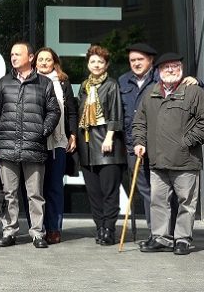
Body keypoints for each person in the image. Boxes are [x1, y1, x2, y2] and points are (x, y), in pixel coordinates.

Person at [0, 42, 60, 249]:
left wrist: (43, 131)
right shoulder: (4, 82)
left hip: (34, 145)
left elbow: (54, 111)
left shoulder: (44, 83)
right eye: (11, 54)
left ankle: (37, 233)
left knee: (35, 194)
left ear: (30, 57)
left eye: (17, 54)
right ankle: (9, 232)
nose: (13, 57)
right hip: (7, 146)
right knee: (9, 194)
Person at [133, 53, 204, 256]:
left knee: (186, 203)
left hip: (186, 159)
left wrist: (186, 142)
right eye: (166, 67)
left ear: (181, 69)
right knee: (158, 201)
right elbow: (139, 123)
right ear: (158, 71)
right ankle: (161, 238)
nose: (171, 70)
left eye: (175, 66)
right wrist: (139, 142)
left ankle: (182, 239)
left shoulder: (194, 91)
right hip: (157, 160)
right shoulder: (151, 93)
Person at [76, 44, 125, 246]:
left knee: (109, 192)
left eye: (101, 62)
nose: (96, 65)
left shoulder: (111, 85)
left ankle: (109, 230)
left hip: (107, 145)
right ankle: (100, 228)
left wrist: (109, 137)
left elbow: (116, 113)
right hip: (87, 146)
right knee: (94, 194)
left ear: (106, 65)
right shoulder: (84, 86)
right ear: (88, 64)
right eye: (93, 61)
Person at [33, 47, 78, 244]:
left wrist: (73, 134)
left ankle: (54, 228)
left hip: (58, 141)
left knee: (54, 187)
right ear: (35, 62)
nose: (44, 62)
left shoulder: (62, 82)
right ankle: (38, 229)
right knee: (35, 188)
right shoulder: (30, 81)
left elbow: (72, 112)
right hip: (34, 142)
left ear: (54, 62)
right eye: (40, 59)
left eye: (48, 59)